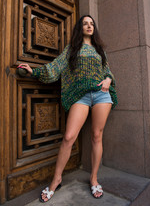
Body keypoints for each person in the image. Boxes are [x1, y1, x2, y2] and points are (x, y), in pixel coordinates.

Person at [18, 15, 117, 202]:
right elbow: (56, 67)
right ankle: (56, 179)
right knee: (69, 137)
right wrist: (35, 71)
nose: (89, 26)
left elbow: (108, 71)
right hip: (81, 96)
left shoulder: (99, 50)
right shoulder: (72, 49)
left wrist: (108, 79)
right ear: (80, 28)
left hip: (102, 94)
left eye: (92, 24)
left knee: (97, 135)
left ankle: (94, 178)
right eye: (85, 24)